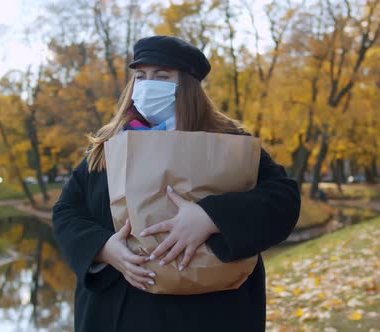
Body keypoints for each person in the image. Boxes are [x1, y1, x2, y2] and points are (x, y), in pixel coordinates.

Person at [52, 35, 301, 332]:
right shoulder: (110, 144)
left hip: (209, 315)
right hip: (119, 312)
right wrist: (104, 249)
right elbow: (66, 212)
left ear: (187, 85)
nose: (147, 85)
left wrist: (211, 216)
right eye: (141, 76)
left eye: (161, 76)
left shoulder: (228, 142)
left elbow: (283, 199)